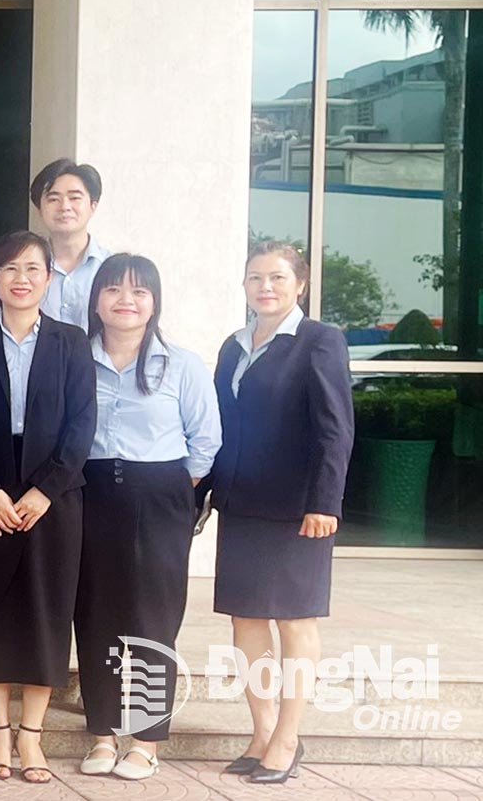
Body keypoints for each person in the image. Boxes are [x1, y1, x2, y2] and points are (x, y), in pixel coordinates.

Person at [208, 241, 353, 785]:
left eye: (276, 278)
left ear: (300, 285)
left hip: (298, 509)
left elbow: (336, 430)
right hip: (242, 504)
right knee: (245, 620)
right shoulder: (234, 345)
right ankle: (263, 730)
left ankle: (289, 738)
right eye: (254, 278)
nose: (264, 287)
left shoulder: (319, 341)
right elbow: (223, 428)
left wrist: (325, 501)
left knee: (294, 621)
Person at [76, 253, 220, 782]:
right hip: (88, 492)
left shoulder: (180, 364)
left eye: (139, 292)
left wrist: (168, 489)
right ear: (97, 300)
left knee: (151, 616)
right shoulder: (75, 358)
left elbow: (206, 441)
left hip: (159, 495)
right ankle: (101, 735)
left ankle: (147, 740)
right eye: (114, 289)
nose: (126, 300)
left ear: (154, 302)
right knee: (93, 614)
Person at [0, 231, 96, 785]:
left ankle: (32, 738)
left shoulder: (71, 342)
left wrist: (47, 489)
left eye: (33, 268)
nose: (21, 278)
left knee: (46, 611)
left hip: (54, 495)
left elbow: (81, 424)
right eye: (10, 268)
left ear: (48, 278)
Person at [28, 158, 111, 328]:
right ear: (39, 209)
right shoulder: (21, 270)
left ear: (93, 206)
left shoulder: (112, 269)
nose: (65, 206)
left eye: (74, 198)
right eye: (53, 199)